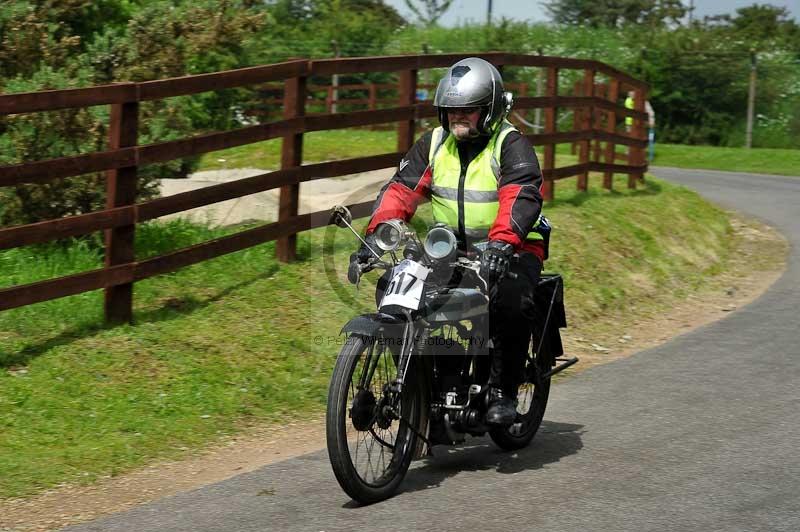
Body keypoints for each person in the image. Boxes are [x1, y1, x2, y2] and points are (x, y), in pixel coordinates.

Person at [350, 57, 548, 426]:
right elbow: (401, 190)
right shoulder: (435, 143)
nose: (457, 117)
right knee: (391, 290)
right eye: (451, 110)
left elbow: (521, 195)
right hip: (449, 247)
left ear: (488, 110)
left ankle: (503, 390)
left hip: (513, 245)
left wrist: (503, 244)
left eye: (468, 111)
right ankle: (420, 384)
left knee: (510, 299)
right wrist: (378, 234)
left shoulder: (510, 144)